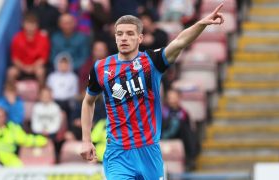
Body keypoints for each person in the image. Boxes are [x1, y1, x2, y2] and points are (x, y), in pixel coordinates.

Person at [80, 4, 224, 179]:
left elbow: (179, 42)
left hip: (149, 151)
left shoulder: (151, 61)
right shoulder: (101, 68)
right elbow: (88, 102)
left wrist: (202, 23)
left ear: (140, 38)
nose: (124, 38)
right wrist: (86, 140)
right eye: (120, 34)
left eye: (130, 33)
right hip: (118, 153)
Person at [161, 88, 200, 170]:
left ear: (178, 98)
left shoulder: (184, 113)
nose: (171, 99)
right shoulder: (163, 111)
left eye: (173, 97)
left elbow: (189, 131)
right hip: (163, 135)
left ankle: (190, 158)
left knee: (185, 128)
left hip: (180, 137)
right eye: (170, 97)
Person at [7, 12, 50, 86]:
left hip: (36, 67)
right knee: (11, 72)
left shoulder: (43, 38)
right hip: (21, 67)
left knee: (41, 72)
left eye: (33, 24)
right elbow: (15, 58)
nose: (30, 27)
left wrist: (33, 67)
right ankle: (11, 93)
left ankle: (42, 93)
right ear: (23, 24)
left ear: (37, 25)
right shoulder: (17, 38)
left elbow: (43, 58)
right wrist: (24, 67)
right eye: (28, 24)